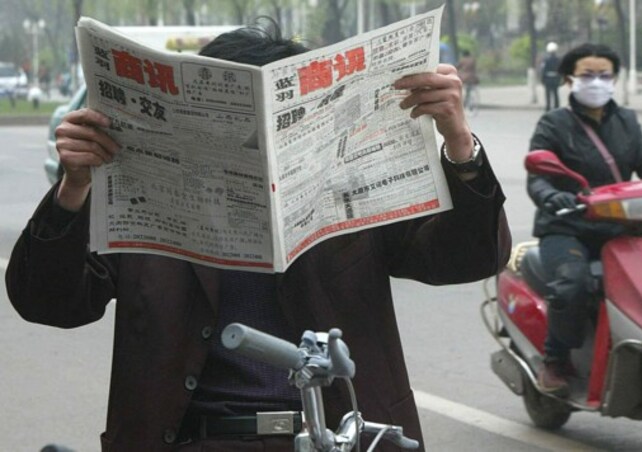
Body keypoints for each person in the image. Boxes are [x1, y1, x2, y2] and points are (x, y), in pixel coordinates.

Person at [5, 21, 511, 451]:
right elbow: (49, 302)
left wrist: (460, 146)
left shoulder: (347, 187)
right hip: (188, 437)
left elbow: (466, 258)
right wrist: (74, 188)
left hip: (332, 435)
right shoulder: (144, 200)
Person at [523, 43, 642, 394]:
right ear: (568, 79)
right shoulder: (554, 123)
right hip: (568, 228)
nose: (597, 82)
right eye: (587, 74)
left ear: (615, 79)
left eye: (604, 75)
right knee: (572, 282)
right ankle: (555, 358)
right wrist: (552, 196)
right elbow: (537, 175)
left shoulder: (627, 120)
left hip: (621, 227)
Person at [540, 42, 561, 112]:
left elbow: (543, 70)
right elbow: (560, 70)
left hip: (548, 79)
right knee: (555, 93)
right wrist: (560, 78)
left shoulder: (546, 60)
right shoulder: (558, 60)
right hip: (555, 78)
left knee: (548, 94)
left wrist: (542, 79)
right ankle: (557, 106)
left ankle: (548, 107)